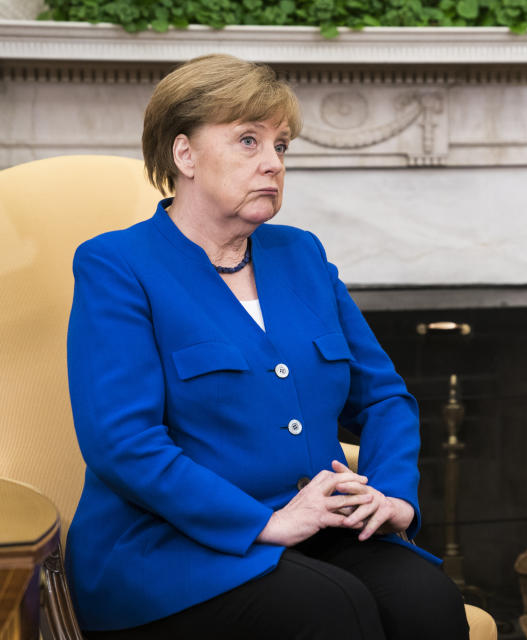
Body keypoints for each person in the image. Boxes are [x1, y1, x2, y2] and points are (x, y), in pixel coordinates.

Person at [65, 54, 469, 639]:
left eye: (281, 146)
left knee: (426, 597)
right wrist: (264, 523)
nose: (272, 164)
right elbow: (122, 444)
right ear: (184, 155)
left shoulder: (300, 253)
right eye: (248, 141)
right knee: (331, 609)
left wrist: (391, 495)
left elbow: (383, 398)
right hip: (168, 551)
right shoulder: (117, 265)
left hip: (313, 529)